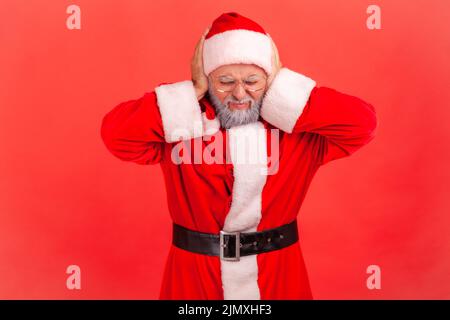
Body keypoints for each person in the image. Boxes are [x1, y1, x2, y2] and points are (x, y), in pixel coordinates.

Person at [100, 12, 377, 300]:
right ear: (207, 79)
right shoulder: (181, 123)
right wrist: (191, 92)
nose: (240, 93)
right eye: (225, 81)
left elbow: (363, 124)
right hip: (195, 277)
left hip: (278, 275)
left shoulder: (297, 132)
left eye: (253, 81)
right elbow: (115, 134)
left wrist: (284, 86)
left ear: (270, 80)